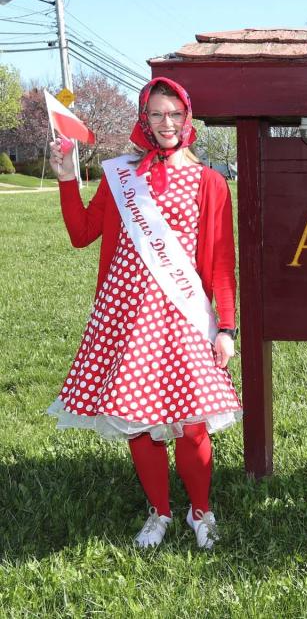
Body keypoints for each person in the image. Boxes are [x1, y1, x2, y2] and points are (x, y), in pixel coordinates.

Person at [47, 77, 241, 550]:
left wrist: (227, 327)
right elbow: (81, 233)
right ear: (144, 119)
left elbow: (219, 262)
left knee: (193, 424)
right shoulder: (120, 176)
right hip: (128, 316)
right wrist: (67, 177)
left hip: (184, 315)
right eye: (157, 114)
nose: (167, 123)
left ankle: (201, 511)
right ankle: (159, 512)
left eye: (175, 113)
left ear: (188, 118)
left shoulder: (210, 181)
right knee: (139, 419)